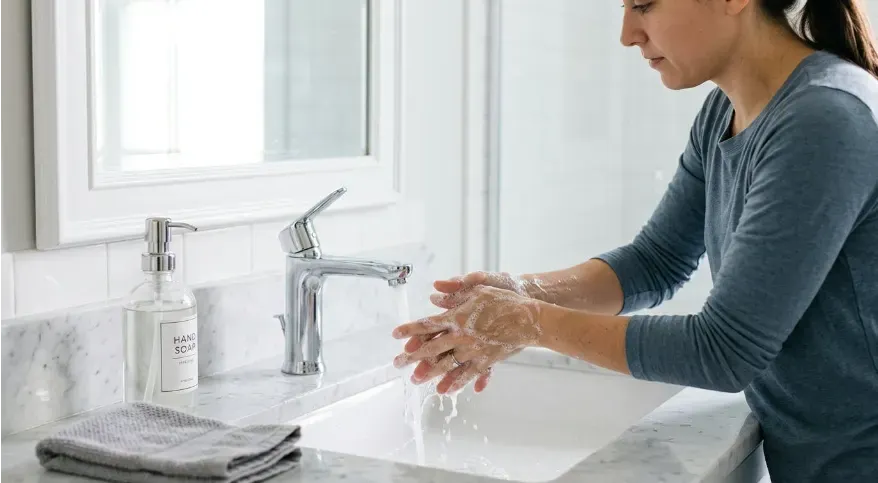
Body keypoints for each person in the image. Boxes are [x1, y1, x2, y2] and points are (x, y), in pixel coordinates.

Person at [392, 0, 878, 481]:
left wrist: (529, 322)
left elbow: (723, 351)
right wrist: (522, 292)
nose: (627, 34)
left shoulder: (825, 118)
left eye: (644, 6)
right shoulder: (725, 112)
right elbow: (656, 261)